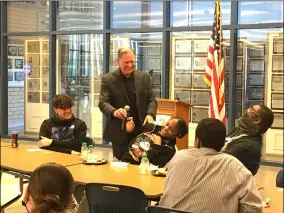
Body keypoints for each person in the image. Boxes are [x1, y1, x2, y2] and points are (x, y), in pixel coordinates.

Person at [159, 118, 263, 213]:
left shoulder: (178, 157)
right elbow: (254, 209)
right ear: (223, 144)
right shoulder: (236, 167)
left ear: (197, 141)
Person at [99, 47, 157, 160]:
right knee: (121, 165)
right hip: (119, 132)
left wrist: (150, 114)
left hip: (141, 131)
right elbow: (103, 102)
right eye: (126, 62)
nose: (130, 65)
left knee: (142, 163)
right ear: (118, 61)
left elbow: (152, 100)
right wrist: (114, 111)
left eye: (132, 62)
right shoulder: (108, 79)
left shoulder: (144, 77)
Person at [222, 105, 274, 176]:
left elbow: (219, 161)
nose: (247, 111)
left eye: (251, 111)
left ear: (257, 120)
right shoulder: (241, 130)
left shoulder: (248, 145)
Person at [121, 116, 188, 167]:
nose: (166, 128)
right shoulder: (151, 127)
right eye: (167, 124)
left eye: (171, 130)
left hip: (139, 170)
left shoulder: (170, 150)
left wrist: (157, 146)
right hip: (123, 163)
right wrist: (129, 130)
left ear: (176, 135)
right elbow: (131, 139)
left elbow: (155, 165)